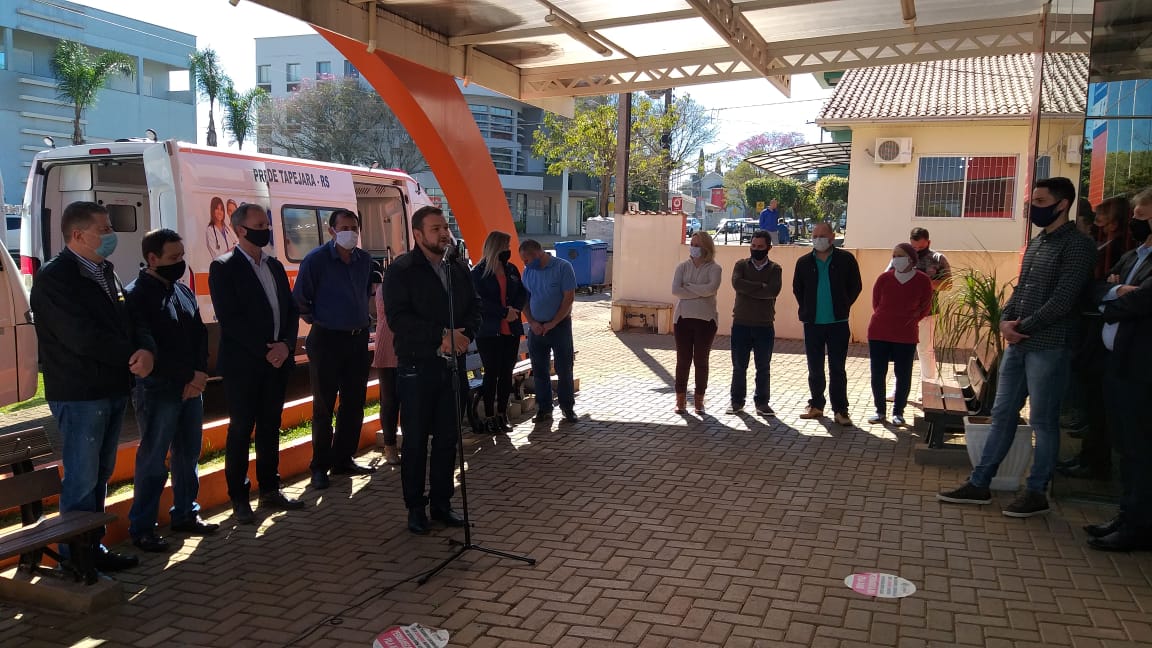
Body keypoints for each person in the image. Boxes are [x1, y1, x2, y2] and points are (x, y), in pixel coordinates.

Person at [938, 177, 1096, 517]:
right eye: (1031, 202)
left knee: (1043, 421)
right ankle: (980, 483)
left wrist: (1021, 327)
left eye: (1040, 202)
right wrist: (1004, 322)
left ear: (1062, 204)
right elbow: (1021, 290)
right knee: (1002, 414)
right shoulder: (1039, 242)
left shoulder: (1078, 246)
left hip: (1049, 346)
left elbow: (1064, 299)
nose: (1032, 209)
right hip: (1018, 344)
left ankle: (1036, 492)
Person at [29, 201, 155, 573]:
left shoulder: (105, 271)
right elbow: (80, 336)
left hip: (112, 387)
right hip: (80, 393)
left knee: (100, 474)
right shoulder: (56, 278)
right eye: (104, 229)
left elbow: (130, 318)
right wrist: (130, 354)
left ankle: (92, 547)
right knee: (82, 478)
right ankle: (74, 558)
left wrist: (145, 349)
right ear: (77, 234)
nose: (111, 235)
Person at [384, 206, 481, 535]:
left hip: (452, 368)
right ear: (418, 234)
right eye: (435, 229)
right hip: (418, 368)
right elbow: (398, 319)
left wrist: (465, 335)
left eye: (445, 227)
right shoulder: (402, 271)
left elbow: (475, 307)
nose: (443, 234)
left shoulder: (457, 267)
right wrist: (441, 336)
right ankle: (415, 507)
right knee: (415, 442)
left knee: (447, 439)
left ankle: (442, 503)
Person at [209, 203, 304, 524]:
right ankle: (239, 497)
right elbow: (230, 319)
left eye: (267, 224)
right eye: (260, 225)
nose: (266, 229)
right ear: (240, 230)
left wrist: (286, 345)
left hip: (277, 362)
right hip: (244, 365)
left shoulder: (274, 265)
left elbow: (291, 310)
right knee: (241, 429)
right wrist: (266, 350)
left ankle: (270, 489)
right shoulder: (223, 267)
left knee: (269, 426)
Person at [124, 229, 217, 553]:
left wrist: (200, 374)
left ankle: (186, 512)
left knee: (188, 453)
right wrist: (188, 375)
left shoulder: (182, 291)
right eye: (173, 258)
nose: (180, 263)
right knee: (153, 458)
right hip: (157, 390)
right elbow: (148, 348)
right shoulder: (135, 297)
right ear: (152, 258)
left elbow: (199, 334)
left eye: (182, 256)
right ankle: (142, 527)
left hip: (192, 387)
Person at [1084, 194, 1152, 551]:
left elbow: (1143, 301)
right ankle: (1127, 515)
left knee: (1141, 451)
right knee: (1125, 448)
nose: (1135, 222)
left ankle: (1139, 526)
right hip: (1116, 364)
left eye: (1142, 216)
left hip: (1141, 370)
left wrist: (1109, 302)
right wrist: (1114, 292)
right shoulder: (1132, 255)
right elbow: (1094, 288)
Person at [293, 209, 376, 490]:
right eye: (344, 227)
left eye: (354, 227)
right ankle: (319, 466)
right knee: (323, 406)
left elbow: (364, 293)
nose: (350, 232)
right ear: (331, 231)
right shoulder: (316, 260)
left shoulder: (364, 260)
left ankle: (343, 458)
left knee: (353, 403)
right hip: (326, 339)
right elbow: (300, 299)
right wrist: (321, 319)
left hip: (357, 339)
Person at [1059, 195, 1136, 480]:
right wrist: (1110, 290)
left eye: (1102, 216)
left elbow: (1123, 293)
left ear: (1116, 221)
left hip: (1104, 338)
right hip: (1092, 332)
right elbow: (1097, 288)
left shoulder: (1118, 249)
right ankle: (1089, 455)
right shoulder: (1113, 249)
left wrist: (1109, 290)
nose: (1096, 221)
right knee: (1092, 401)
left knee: (1100, 405)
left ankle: (1096, 461)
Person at [793, 222, 862, 426]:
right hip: (813, 323)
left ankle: (840, 410)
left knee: (837, 369)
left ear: (832, 237)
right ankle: (816, 405)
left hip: (838, 323)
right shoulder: (804, 262)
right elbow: (798, 289)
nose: (818, 239)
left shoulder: (846, 259)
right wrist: (808, 308)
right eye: (815, 236)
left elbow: (855, 286)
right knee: (815, 368)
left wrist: (843, 305)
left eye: (822, 236)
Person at [867, 243, 933, 426]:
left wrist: (909, 319)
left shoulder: (922, 280)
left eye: (900, 255)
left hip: (906, 334)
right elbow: (876, 303)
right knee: (878, 373)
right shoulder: (884, 279)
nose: (896, 259)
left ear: (911, 258)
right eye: (894, 255)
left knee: (903, 374)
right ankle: (880, 411)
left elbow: (925, 306)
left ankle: (898, 412)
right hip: (879, 332)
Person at [471, 230, 528, 434]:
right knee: (492, 373)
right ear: (496, 248)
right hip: (489, 332)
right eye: (506, 247)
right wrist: (503, 312)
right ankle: (489, 416)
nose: (508, 251)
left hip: (510, 330)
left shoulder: (511, 269)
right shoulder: (479, 273)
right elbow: (479, 301)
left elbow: (522, 292)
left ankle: (502, 413)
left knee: (506, 373)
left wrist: (514, 310)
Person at [520, 239, 579, 425]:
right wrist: (532, 322)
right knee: (539, 370)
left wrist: (553, 322)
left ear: (537, 254)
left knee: (564, 368)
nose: (525, 264)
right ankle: (544, 409)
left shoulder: (563, 267)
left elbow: (568, 298)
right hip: (537, 328)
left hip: (560, 327)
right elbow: (524, 300)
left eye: (526, 260)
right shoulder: (528, 272)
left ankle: (567, 407)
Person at [727, 230, 781, 416]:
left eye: (760, 246)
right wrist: (760, 285)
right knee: (739, 366)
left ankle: (762, 403)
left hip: (764, 325)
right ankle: (736, 402)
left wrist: (749, 287)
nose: (756, 249)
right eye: (753, 246)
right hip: (741, 324)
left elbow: (772, 291)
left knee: (763, 368)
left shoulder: (775, 269)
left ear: (768, 248)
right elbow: (737, 284)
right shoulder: (741, 265)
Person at [671, 231, 723, 414]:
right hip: (682, 320)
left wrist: (689, 288)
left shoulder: (715, 269)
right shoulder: (682, 267)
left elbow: (711, 289)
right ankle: (680, 400)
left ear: (706, 247)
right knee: (683, 360)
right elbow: (676, 290)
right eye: (692, 244)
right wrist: (700, 291)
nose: (693, 248)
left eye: (697, 245)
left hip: (706, 321)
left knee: (701, 361)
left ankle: (699, 400)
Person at [907, 227, 951, 383]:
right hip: (904, 311)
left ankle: (929, 385)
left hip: (928, 311)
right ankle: (899, 387)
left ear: (929, 242)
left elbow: (948, 285)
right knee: (902, 350)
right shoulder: (903, 257)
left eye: (921, 247)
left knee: (925, 349)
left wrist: (925, 282)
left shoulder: (938, 259)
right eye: (914, 247)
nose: (917, 250)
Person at [373, 281, 401, 465]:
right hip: (388, 348)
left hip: (409, 349)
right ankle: (389, 445)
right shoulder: (385, 287)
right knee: (390, 401)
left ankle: (410, 443)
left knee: (410, 401)